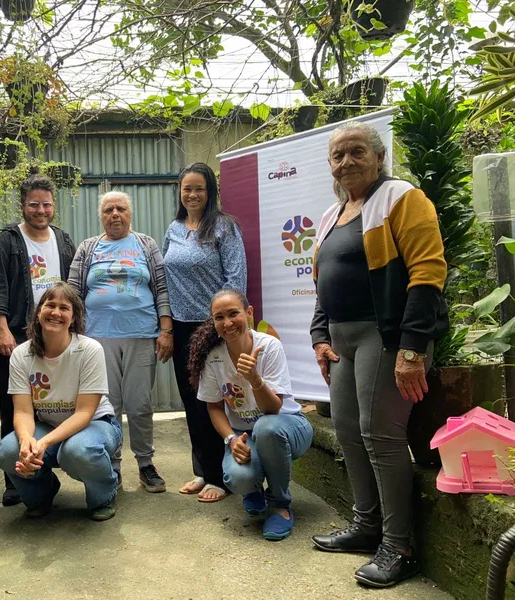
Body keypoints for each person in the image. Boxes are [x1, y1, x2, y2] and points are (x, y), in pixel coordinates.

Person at [309, 122, 448, 588]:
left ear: (378, 156)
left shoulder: (401, 198)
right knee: (348, 430)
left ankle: (398, 545)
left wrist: (411, 348)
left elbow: (428, 272)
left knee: (381, 435)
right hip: (345, 341)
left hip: (386, 337)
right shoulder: (333, 215)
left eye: (356, 152)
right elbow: (321, 286)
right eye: (337, 155)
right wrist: (319, 335)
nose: (346, 161)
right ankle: (367, 526)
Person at [68, 191, 172, 493]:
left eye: (121, 209)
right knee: (107, 406)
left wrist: (166, 330)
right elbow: (73, 291)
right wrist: (73, 338)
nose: (115, 214)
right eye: (109, 210)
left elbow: (162, 288)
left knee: (140, 403)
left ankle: (145, 463)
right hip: (98, 339)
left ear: (130, 213)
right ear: (101, 216)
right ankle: (112, 466)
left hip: (142, 334)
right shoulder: (89, 247)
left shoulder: (145, 244)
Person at [189, 289, 312, 540]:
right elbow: (214, 407)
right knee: (239, 477)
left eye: (233, 314)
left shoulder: (269, 347)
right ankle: (253, 489)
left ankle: (280, 504)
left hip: (287, 427)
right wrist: (231, 440)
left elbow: (272, 410)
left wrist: (254, 379)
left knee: (266, 428)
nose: (227, 323)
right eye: (219, 317)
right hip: (245, 434)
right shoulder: (213, 357)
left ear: (249, 313)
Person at [0, 282, 122, 521]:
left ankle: (103, 495)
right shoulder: (22, 354)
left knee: (77, 451)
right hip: (49, 425)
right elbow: (22, 412)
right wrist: (26, 442)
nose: (56, 312)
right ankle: (42, 493)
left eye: (64, 308)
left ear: (73, 318)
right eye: (50, 305)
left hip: (96, 425)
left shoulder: (89, 350)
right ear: (38, 312)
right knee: (8, 451)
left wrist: (43, 444)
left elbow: (85, 413)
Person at [0, 174, 76, 507]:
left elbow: (73, 288)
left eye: (47, 204)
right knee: (15, 407)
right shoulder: (6, 241)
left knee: (55, 399)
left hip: (57, 332)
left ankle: (49, 463)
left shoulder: (64, 240)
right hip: (17, 333)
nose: (41, 210)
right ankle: (14, 479)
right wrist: (1, 329)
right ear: (22, 205)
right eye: (34, 204)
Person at [163, 162, 247, 502]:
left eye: (199, 188)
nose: (192, 194)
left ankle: (221, 476)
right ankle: (203, 470)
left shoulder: (224, 227)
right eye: (187, 189)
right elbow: (167, 280)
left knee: (216, 401)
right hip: (182, 327)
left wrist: (225, 324)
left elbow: (236, 278)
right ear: (180, 193)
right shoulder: (174, 228)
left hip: (213, 327)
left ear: (210, 192)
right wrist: (166, 323)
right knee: (191, 401)